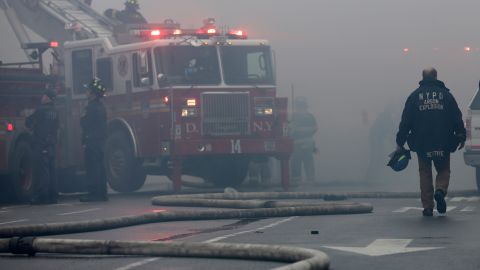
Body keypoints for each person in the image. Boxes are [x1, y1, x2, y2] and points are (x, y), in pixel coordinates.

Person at [395, 67, 466, 217]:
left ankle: (427, 207)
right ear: (436, 76)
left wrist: (400, 141)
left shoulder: (414, 97)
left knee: (425, 172)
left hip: (421, 142)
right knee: (443, 170)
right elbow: (456, 117)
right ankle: (440, 190)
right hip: (443, 140)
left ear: (422, 77)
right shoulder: (446, 96)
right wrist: (461, 135)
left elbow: (405, 121)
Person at [26, 88, 59, 204]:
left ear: (47, 98)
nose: (42, 97)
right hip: (51, 143)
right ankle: (53, 196)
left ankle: (42, 196)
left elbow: (29, 122)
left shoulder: (40, 110)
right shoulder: (55, 111)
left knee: (42, 171)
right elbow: (56, 128)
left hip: (40, 144)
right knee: (51, 170)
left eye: (43, 95)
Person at [80, 78, 108, 202]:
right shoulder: (102, 107)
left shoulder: (90, 107)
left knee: (92, 167)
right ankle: (102, 193)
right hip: (101, 141)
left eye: (88, 91)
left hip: (91, 140)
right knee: (101, 167)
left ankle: (94, 193)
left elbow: (84, 123)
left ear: (93, 94)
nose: (86, 93)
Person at [290, 96, 318, 183]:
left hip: (297, 143)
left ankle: (297, 181)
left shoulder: (293, 117)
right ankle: (310, 180)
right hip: (308, 142)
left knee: (296, 162)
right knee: (308, 161)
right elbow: (315, 128)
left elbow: (289, 130)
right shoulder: (310, 116)